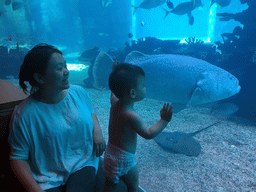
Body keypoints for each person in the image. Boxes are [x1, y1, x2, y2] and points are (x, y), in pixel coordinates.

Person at [8, 43, 106, 192]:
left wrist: (97, 132)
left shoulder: (79, 92)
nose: (66, 71)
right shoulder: (24, 114)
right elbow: (18, 158)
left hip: (83, 162)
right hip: (47, 177)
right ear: (40, 77)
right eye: (59, 68)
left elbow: (90, 111)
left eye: (65, 66)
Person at [103, 63, 173, 192]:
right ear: (133, 93)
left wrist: (115, 74)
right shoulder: (132, 116)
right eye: (143, 85)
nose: (145, 88)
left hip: (109, 155)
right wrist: (164, 120)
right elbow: (148, 133)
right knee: (133, 187)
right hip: (125, 159)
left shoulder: (114, 103)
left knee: (110, 186)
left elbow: (113, 92)